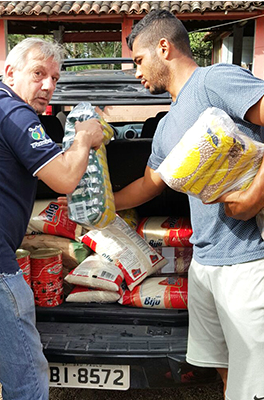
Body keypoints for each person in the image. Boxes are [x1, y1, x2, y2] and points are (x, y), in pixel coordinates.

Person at [114, 10, 264, 400]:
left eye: (139, 61)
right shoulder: (165, 126)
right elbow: (149, 185)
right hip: (206, 265)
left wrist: (253, 198)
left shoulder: (214, 81)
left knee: (262, 388)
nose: (136, 72)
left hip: (252, 263)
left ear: (164, 48)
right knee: (229, 381)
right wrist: (100, 205)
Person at [0, 38, 104, 400]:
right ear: (10, 72)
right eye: (38, 73)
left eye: (55, 78)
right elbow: (63, 179)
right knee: (27, 378)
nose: (48, 85)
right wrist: (84, 139)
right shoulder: (15, 113)